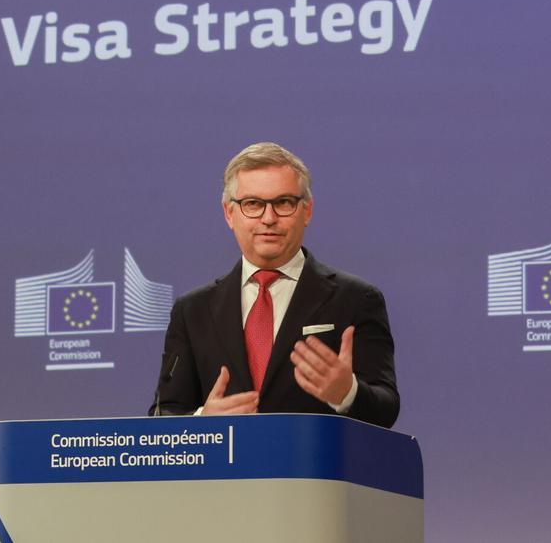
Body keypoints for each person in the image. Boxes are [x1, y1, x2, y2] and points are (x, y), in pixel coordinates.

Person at [151, 143, 398, 428]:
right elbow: (163, 415)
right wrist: (203, 421)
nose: (269, 219)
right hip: (228, 471)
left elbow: (386, 408)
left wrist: (347, 393)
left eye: (283, 203)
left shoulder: (356, 299)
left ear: (307, 210)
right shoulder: (192, 310)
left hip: (315, 470)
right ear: (229, 213)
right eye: (253, 204)